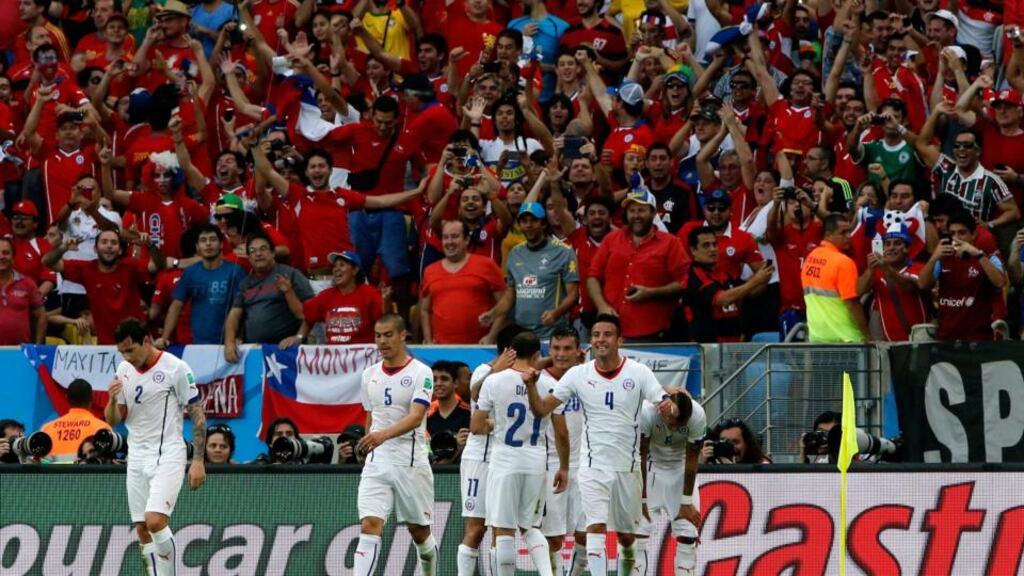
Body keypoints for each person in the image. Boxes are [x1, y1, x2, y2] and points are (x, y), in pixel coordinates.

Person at [522, 313, 673, 576]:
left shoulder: (639, 372)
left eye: (607, 334)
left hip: (628, 468)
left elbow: (664, 407)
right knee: (595, 529)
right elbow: (542, 410)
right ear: (590, 341)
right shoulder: (578, 375)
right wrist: (533, 388)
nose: (601, 339)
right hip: (592, 468)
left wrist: (669, 406)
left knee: (628, 538)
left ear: (619, 340)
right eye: (596, 335)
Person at [104, 317, 206, 576]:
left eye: (130, 349)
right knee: (141, 528)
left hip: (167, 453)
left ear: (146, 341)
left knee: (155, 521)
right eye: (122, 352)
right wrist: (112, 399)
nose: (126, 357)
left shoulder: (175, 368)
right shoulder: (124, 369)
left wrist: (198, 460)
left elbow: (197, 413)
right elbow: (113, 419)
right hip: (136, 455)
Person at [471, 330, 567, 576]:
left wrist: (496, 424)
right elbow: (562, 433)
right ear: (537, 355)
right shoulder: (549, 384)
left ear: (511, 352)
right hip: (536, 461)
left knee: (503, 530)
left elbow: (476, 427)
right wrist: (564, 467)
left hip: (504, 462)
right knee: (531, 527)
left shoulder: (494, 381)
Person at [353, 314, 438, 576]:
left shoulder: (421, 372)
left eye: (388, 335)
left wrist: (382, 436)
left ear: (403, 335)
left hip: (410, 462)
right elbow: (372, 415)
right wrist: (369, 441)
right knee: (370, 525)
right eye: (378, 336)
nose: (382, 341)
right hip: (378, 462)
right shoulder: (369, 375)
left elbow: (416, 417)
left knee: (419, 532)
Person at [455, 328, 520, 576]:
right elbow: (476, 395)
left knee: (502, 529)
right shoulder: (483, 372)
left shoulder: (520, 378)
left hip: (506, 459)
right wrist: (497, 369)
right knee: (475, 528)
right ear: (508, 351)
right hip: (479, 459)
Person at [588, 190, 686, 341]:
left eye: (641, 210)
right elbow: (592, 277)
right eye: (631, 211)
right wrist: (602, 306)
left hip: (653, 332)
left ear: (653, 213)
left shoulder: (671, 243)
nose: (636, 215)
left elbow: (685, 282)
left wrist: (651, 293)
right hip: (612, 331)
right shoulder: (611, 239)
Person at [42, 228, 155, 344]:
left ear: (120, 250)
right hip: (105, 345)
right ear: (95, 249)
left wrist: (150, 245)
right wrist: (63, 248)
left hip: (136, 342)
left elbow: (156, 266)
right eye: (104, 242)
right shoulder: (86, 269)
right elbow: (47, 261)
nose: (109, 246)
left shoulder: (131, 266)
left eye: (114, 243)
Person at [637, 391, 706, 576]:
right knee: (636, 537)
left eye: (680, 424)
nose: (675, 429)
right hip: (651, 468)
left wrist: (686, 502)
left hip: (680, 469)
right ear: (663, 411)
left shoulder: (698, 416)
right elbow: (640, 457)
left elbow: (692, 460)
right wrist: (641, 499)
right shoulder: (646, 412)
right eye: (672, 422)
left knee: (688, 536)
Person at [538, 326, 585, 576]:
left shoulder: (590, 377)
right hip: (552, 466)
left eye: (567, 348)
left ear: (579, 351)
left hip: (587, 464)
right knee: (554, 539)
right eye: (555, 348)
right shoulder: (541, 380)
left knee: (588, 535)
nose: (561, 354)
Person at [496, 202, 580, 339]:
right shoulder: (515, 253)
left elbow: (573, 294)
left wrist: (556, 313)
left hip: (553, 333)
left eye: (534, 221)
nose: (528, 225)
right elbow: (510, 295)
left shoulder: (563, 251)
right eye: (524, 221)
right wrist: (492, 314)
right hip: (521, 333)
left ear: (544, 224)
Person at [224, 231, 313, 361]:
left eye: (263, 249)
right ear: (249, 257)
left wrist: (299, 337)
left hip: (285, 351)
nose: (258, 254)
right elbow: (234, 315)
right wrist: (229, 343)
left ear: (273, 253)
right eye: (253, 251)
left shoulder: (290, 274)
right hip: (255, 352)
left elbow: (312, 310)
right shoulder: (245, 283)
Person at [918, 211, 1006, 342]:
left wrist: (978, 255)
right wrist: (934, 257)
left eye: (962, 233)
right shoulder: (942, 259)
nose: (956, 238)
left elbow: (999, 282)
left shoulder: (989, 258)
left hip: (978, 339)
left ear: (973, 234)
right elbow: (923, 284)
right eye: (952, 233)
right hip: (946, 338)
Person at [156, 225, 246, 348]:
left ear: (221, 244)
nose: (208, 244)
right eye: (203, 240)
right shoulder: (190, 273)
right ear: (197, 246)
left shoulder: (236, 271)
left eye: (213, 240)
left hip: (229, 345)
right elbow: (176, 306)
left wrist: (239, 337)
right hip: (198, 344)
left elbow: (244, 308)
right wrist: (165, 338)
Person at [420, 220, 507, 344]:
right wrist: (428, 340)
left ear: (466, 240)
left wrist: (491, 336)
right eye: (446, 237)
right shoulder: (429, 271)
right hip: (441, 350)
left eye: (455, 236)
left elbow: (505, 305)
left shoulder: (487, 264)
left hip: (480, 347)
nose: (449, 242)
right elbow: (425, 310)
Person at [686, 226, 775, 343]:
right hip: (707, 345)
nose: (712, 249)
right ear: (693, 250)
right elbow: (722, 299)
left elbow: (744, 294)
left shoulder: (723, 274)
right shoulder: (695, 275)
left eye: (714, 244)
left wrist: (764, 277)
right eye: (706, 245)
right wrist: (756, 280)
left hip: (733, 343)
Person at [283, 251, 384, 346]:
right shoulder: (325, 296)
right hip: (334, 358)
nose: (336, 269)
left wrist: (386, 301)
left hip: (363, 359)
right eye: (335, 266)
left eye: (342, 265)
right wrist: (298, 337)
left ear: (355, 270)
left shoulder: (370, 294)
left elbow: (385, 320)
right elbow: (305, 316)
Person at [801, 214, 871, 343]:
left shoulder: (810, 258)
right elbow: (853, 304)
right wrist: (867, 335)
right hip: (846, 339)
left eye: (849, 231)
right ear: (828, 235)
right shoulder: (843, 262)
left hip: (818, 337)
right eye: (843, 232)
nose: (849, 236)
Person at [856, 224, 929, 342]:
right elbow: (859, 290)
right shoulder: (877, 272)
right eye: (887, 244)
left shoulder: (919, 268)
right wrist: (870, 270)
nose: (891, 248)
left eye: (897, 243)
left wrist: (887, 269)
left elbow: (908, 286)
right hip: (887, 342)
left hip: (918, 341)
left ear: (907, 248)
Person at [40, 378, 110, 463]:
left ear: (67, 398)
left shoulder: (47, 429)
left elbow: (40, 464)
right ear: (91, 398)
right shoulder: (103, 429)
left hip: (53, 476)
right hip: (87, 476)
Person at [0, 236, 46, 345]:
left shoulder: (28, 283)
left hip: (20, 352)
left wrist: (37, 347)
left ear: (13, 257)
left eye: (6, 253)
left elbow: (41, 316)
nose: (1, 256)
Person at [426, 360, 471, 466]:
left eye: (444, 379)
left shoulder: (469, 414)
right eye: (434, 380)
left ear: (455, 383)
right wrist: (457, 447)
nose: (438, 384)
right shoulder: (426, 418)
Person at [699, 418, 771, 464]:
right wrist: (702, 465)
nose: (730, 446)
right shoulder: (712, 464)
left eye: (735, 442)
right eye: (724, 441)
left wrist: (733, 470)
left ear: (746, 444)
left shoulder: (762, 464)